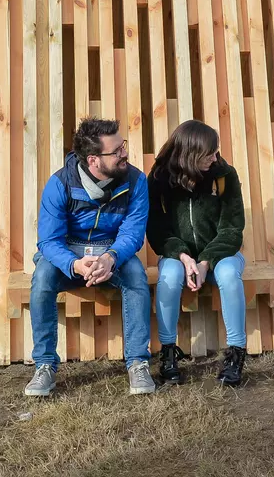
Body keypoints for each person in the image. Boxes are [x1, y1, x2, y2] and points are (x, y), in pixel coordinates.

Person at [25, 117, 154, 397]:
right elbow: (48, 241)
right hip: (69, 252)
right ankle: (45, 366)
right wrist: (74, 265)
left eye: (123, 146)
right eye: (117, 151)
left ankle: (138, 363)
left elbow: (133, 232)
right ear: (93, 160)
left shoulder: (135, 181)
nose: (125, 154)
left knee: (135, 274)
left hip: (111, 250)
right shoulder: (60, 183)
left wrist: (111, 257)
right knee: (43, 276)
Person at [147, 120, 247, 387]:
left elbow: (232, 229)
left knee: (227, 274)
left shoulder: (224, 176)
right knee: (168, 274)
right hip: (179, 257)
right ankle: (168, 353)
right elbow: (156, 229)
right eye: (209, 154)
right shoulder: (159, 178)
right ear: (190, 155)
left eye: (216, 151)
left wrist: (205, 261)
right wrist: (183, 255)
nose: (215, 158)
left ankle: (236, 354)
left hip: (219, 255)